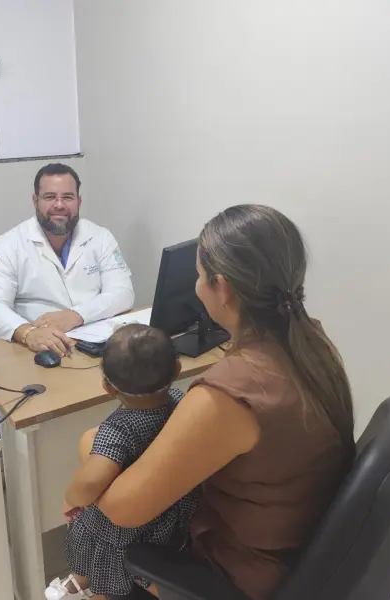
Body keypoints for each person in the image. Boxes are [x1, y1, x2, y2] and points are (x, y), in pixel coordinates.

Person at [93, 205, 355, 600]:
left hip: (236, 578)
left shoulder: (230, 393)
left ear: (224, 288)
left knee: (105, 536)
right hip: (297, 555)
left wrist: (96, 444)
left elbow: (122, 509)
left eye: (200, 276)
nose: (197, 287)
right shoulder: (314, 344)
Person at [46, 324, 198, 600]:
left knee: (83, 518)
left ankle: (96, 579)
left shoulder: (118, 430)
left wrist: (72, 498)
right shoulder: (181, 402)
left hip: (130, 532)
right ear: (177, 369)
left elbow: (90, 482)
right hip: (173, 516)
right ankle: (88, 579)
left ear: (107, 386)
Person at [0, 163, 134, 356]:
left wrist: (76, 315)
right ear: (35, 201)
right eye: (50, 197)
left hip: (90, 342)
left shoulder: (101, 237)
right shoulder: (8, 245)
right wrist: (28, 333)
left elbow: (123, 293)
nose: (59, 205)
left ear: (79, 201)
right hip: (32, 349)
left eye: (67, 197)